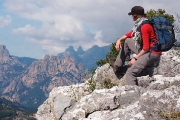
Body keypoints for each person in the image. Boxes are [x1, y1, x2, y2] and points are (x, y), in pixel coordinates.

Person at [109, 6, 162, 85]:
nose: (131, 17)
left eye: (132, 15)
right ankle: (117, 66)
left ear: (135, 16)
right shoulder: (141, 23)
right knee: (127, 41)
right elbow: (131, 34)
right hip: (148, 50)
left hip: (151, 53)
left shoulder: (144, 27)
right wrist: (119, 39)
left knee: (130, 73)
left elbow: (146, 48)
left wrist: (135, 58)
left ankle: (131, 94)